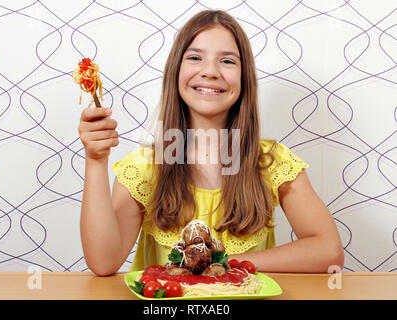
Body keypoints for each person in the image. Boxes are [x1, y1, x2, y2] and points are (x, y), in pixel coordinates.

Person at [78, 10, 344, 276]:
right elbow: (104, 262)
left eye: (227, 61)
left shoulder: (271, 161)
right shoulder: (144, 168)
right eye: (195, 57)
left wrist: (226, 264)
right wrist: (96, 160)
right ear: (176, 71)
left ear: (244, 79)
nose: (210, 71)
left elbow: (328, 252)